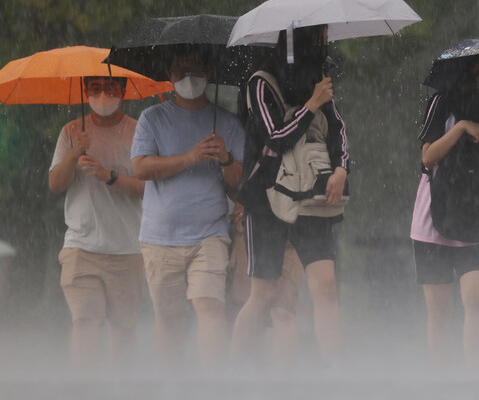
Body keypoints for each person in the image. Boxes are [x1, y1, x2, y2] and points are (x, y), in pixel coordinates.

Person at [231, 24, 348, 365]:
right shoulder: (260, 82)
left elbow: (338, 129)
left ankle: (335, 373)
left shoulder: (320, 77)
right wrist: (311, 103)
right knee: (264, 293)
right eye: (319, 36)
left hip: (311, 195)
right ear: (298, 40)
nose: (325, 43)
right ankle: (233, 373)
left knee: (325, 283)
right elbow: (276, 137)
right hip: (266, 197)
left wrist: (341, 169)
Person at [131, 48, 245, 366]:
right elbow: (140, 168)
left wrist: (225, 158)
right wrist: (189, 157)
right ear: (169, 75)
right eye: (180, 70)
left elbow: (241, 181)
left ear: (208, 72)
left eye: (195, 69)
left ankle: (211, 382)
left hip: (209, 233)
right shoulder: (152, 118)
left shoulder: (227, 122)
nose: (188, 77)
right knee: (168, 317)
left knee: (210, 306)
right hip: (158, 236)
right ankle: (172, 383)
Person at [410, 60, 479, 367]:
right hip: (435, 211)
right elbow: (427, 157)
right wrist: (463, 127)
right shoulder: (444, 101)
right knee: (439, 310)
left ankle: (474, 376)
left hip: (477, 211)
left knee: (477, 297)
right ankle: (441, 380)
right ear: (476, 71)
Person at [48, 76, 145, 367]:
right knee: (86, 320)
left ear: (123, 90)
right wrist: (76, 151)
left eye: (111, 87)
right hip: (81, 246)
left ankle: (120, 392)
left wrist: (109, 176)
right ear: (85, 91)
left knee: (124, 327)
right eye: (95, 87)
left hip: (127, 247)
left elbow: (147, 188)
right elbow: (56, 183)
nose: (104, 94)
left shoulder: (138, 130)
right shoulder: (71, 131)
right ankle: (84, 388)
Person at [226, 203, 304, 365]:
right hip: (256, 224)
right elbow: (232, 181)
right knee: (250, 302)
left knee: (284, 310)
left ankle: (281, 382)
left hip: (295, 228)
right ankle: (236, 373)